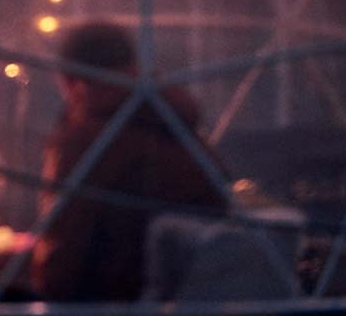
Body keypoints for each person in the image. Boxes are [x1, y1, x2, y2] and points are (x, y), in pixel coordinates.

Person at [31, 21, 225, 302]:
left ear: (71, 83)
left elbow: (62, 269)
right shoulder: (178, 129)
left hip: (114, 305)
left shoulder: (87, 140)